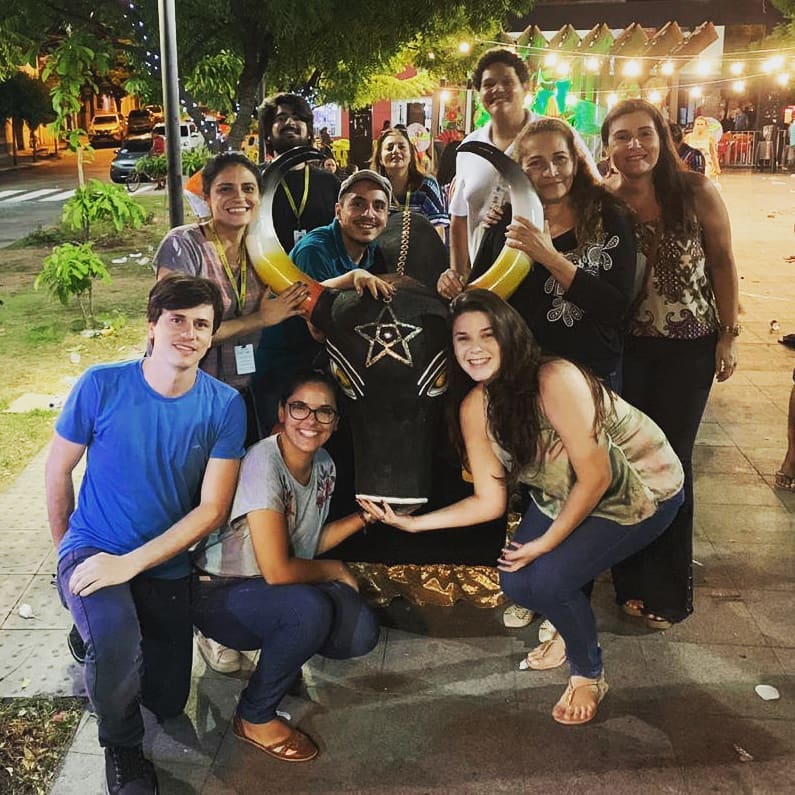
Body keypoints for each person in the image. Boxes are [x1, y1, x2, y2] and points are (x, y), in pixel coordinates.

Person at [359, 290, 684, 726]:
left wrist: (545, 543)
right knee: (515, 582)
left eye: (487, 335)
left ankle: (588, 673)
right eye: (462, 338)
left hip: (643, 489)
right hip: (564, 490)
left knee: (549, 581)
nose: (474, 348)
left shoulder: (555, 378)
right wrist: (414, 526)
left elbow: (597, 477)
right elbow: (488, 502)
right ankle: (569, 628)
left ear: (510, 335)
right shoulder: (476, 406)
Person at [46, 275, 246, 794]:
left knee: (167, 699)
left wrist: (131, 565)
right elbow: (58, 470)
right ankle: (123, 749)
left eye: (201, 324)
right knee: (115, 642)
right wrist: (66, 553)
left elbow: (213, 509)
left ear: (212, 335)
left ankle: (94, 628)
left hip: (163, 562)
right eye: (176, 320)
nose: (189, 333)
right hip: (96, 545)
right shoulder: (101, 384)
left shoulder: (224, 405)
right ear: (152, 326)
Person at [192, 371, 380, 762]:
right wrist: (334, 570)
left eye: (324, 412)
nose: (311, 420)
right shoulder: (263, 462)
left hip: (269, 589)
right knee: (307, 610)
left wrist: (366, 517)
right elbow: (278, 570)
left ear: (335, 422)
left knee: (359, 630)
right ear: (282, 412)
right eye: (300, 408)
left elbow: (307, 545)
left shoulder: (324, 464)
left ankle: (282, 651)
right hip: (221, 588)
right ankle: (254, 715)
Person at [602, 98, 740, 628]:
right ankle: (629, 579)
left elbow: (723, 262)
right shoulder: (603, 201)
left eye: (644, 134)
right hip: (627, 351)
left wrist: (728, 335)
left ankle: (668, 588)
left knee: (673, 462)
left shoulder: (696, 192)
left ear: (662, 139)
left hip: (689, 348)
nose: (634, 145)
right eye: (621, 136)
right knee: (629, 461)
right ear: (607, 146)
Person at [468, 117, 635, 391]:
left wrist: (549, 257)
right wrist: (453, 286)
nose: (551, 171)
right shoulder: (507, 221)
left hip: (589, 377)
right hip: (519, 375)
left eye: (560, 159)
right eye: (536, 163)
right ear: (520, 171)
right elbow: (480, 297)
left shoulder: (610, 216)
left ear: (575, 163)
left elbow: (615, 308)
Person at [154, 152, 308, 435]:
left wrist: (353, 278)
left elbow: (305, 291)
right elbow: (179, 332)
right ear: (207, 197)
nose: (239, 197)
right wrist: (259, 320)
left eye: (248, 188)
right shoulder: (183, 245)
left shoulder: (262, 252)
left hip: (242, 393)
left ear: (259, 197)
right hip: (183, 393)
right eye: (225, 189)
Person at [444, 48, 599, 298]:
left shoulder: (556, 134)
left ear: (526, 87)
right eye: (488, 84)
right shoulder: (469, 147)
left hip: (549, 275)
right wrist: (459, 273)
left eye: (507, 82)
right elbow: (459, 218)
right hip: (488, 278)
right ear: (479, 93)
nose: (498, 89)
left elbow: (591, 189)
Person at [254, 169, 393, 432]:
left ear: (387, 217)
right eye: (358, 204)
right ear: (339, 211)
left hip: (327, 367)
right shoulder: (314, 250)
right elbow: (318, 327)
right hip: (286, 371)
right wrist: (351, 278)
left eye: (378, 206)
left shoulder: (372, 251)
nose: (369, 214)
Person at [258, 93, 340, 253]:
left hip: (319, 268)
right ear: (268, 133)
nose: (289, 122)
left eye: (297, 117)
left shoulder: (330, 182)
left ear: (309, 132)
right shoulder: (254, 180)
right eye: (281, 118)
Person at [371, 126, 449, 239]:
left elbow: (437, 229)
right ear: (380, 158)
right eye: (390, 147)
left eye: (402, 147)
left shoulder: (426, 186)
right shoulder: (373, 187)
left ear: (411, 154)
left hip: (421, 249)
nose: (396, 151)